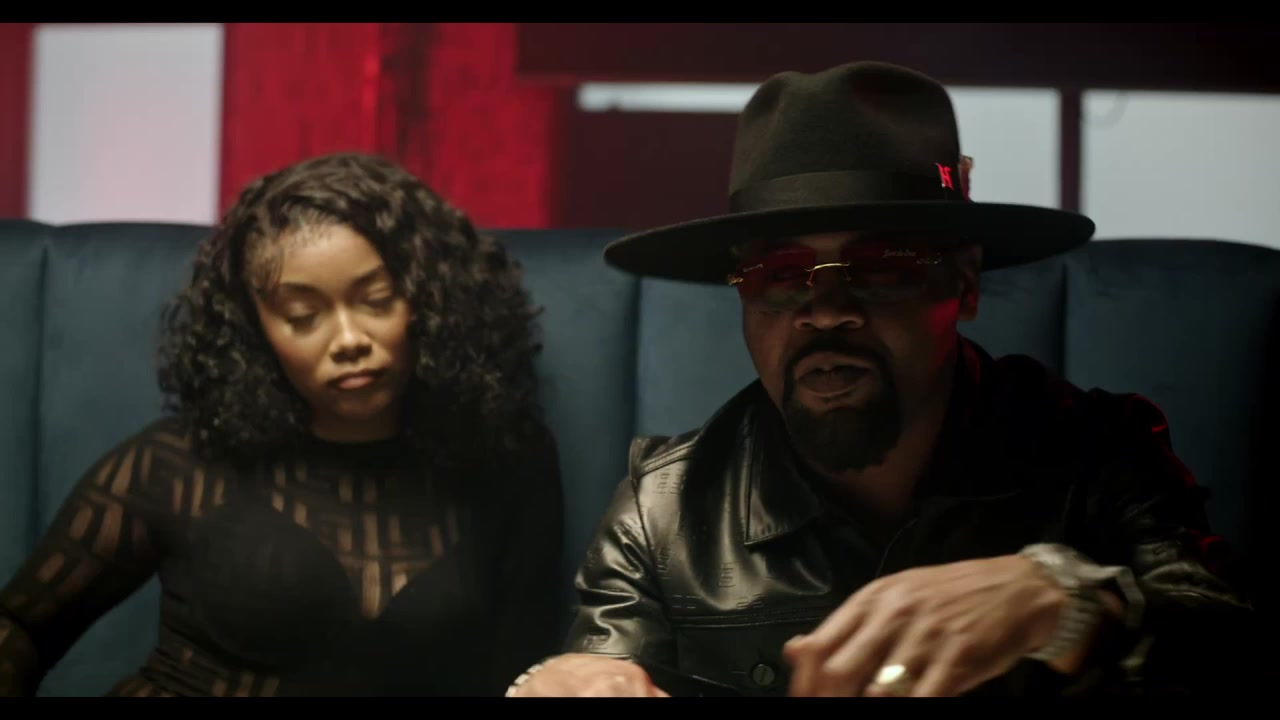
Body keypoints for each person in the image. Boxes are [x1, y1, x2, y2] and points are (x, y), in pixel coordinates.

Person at [505, 61, 1257, 698]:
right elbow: (599, 674)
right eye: (781, 273)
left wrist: (1068, 603)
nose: (825, 311)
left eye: (880, 266)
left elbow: (1228, 644)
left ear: (964, 283)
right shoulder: (664, 509)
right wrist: (559, 680)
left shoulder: (1098, 453)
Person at [0, 152, 565, 696]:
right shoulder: (176, 464)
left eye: (376, 300)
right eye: (303, 316)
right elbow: (19, 626)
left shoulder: (507, 460)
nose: (349, 340)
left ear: (429, 300)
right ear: (256, 331)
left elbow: (523, 670)